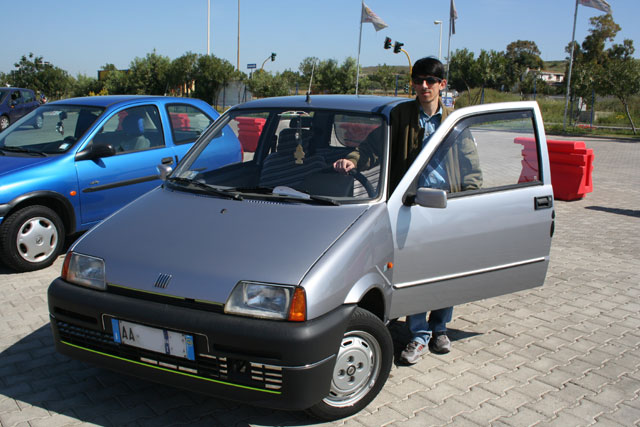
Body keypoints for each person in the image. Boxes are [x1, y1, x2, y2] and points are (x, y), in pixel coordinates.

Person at [334, 57, 482, 364]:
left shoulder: (455, 121)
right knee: (418, 271)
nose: (423, 86)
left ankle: (440, 327)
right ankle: (418, 336)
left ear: (442, 84)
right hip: (412, 206)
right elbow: (372, 147)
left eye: (430, 81)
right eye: (418, 80)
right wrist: (353, 159)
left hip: (447, 205)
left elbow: (471, 168)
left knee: (446, 271)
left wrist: (469, 201)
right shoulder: (401, 115)